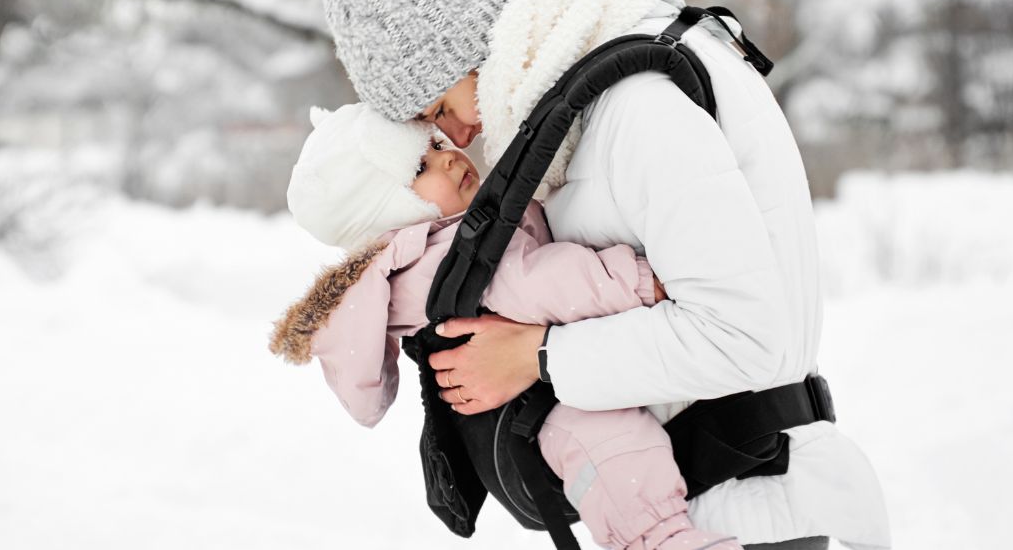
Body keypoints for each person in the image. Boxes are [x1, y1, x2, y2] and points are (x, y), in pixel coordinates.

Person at [287, 0, 890, 550]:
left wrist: (539, 356)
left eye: (438, 108)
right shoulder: (584, 111)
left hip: (754, 507)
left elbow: (747, 335)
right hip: (721, 501)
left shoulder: (636, 107)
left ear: (464, 42)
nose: (458, 133)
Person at [272, 101, 740, 550]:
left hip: (520, 421)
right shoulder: (441, 259)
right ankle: (660, 540)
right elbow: (538, 283)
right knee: (616, 445)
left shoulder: (450, 238)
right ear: (383, 216)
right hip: (529, 426)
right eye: (420, 170)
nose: (449, 161)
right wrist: (638, 280)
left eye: (435, 147)